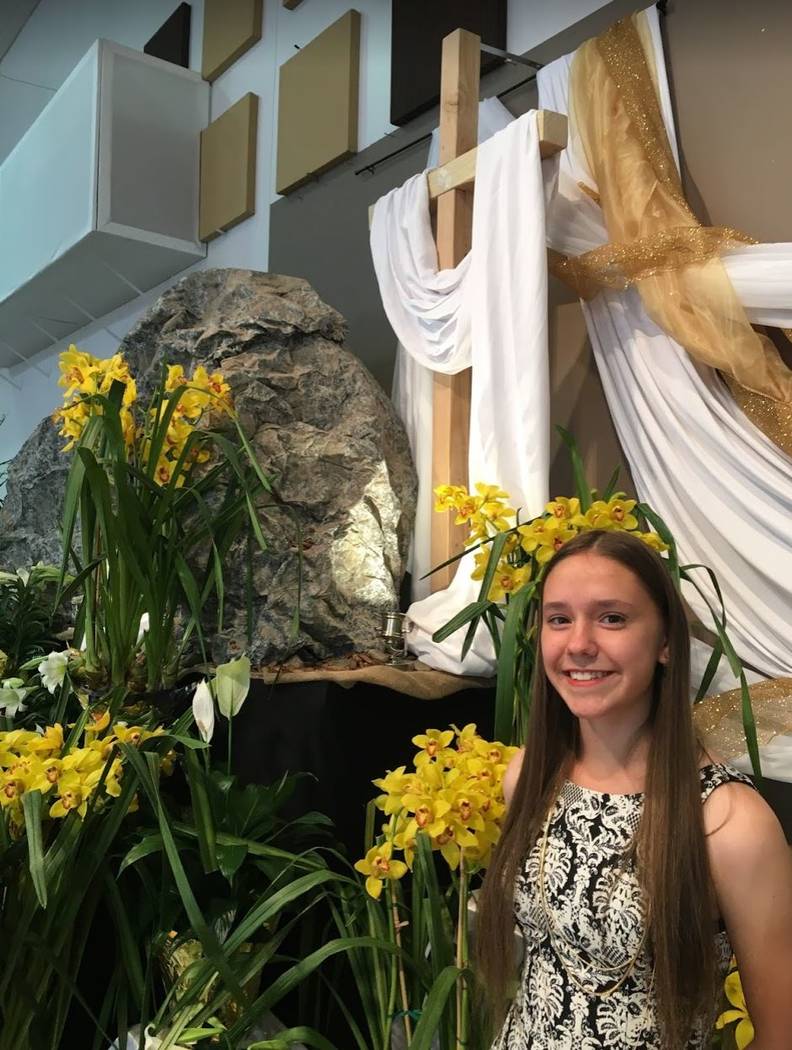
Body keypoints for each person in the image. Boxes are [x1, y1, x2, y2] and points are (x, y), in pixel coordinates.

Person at [475, 528, 792, 1049]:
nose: (578, 644)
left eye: (612, 618)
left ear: (666, 641)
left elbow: (781, 1033)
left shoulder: (728, 823)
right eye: (559, 619)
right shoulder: (529, 777)